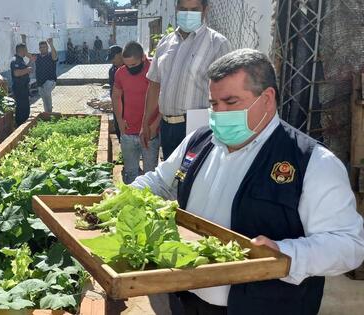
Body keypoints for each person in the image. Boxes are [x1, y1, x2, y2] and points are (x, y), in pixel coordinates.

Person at [131, 48, 364, 315]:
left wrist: (285, 253)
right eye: (213, 104)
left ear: (266, 98)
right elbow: (160, 182)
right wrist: (121, 195)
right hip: (187, 300)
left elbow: (349, 245)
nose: (219, 114)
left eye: (231, 102)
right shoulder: (199, 141)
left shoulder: (312, 162)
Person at [142, 0, 232, 160]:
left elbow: (227, 91)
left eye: (194, 9)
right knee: (172, 178)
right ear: (176, 9)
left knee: (194, 177)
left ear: (205, 10)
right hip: (167, 126)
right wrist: (146, 122)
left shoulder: (217, 44)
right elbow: (155, 84)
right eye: (183, 9)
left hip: (198, 126)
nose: (188, 14)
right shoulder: (165, 43)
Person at [112, 42, 161, 184]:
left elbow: (164, 99)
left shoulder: (154, 70)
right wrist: (120, 120)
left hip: (149, 133)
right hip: (128, 132)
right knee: (130, 173)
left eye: (133, 65)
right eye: (127, 65)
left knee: (150, 175)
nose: (130, 69)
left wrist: (155, 124)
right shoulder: (120, 73)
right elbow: (116, 96)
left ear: (143, 58)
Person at [23, 36, 57, 113]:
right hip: (40, 82)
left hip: (50, 81)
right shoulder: (37, 57)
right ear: (39, 48)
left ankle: (50, 112)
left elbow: (55, 57)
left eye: (44, 47)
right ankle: (47, 113)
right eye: (41, 47)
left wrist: (51, 44)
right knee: (44, 99)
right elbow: (26, 53)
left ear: (47, 48)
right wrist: (24, 40)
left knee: (47, 93)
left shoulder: (50, 55)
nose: (42, 48)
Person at [10, 43, 32, 126]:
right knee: (21, 109)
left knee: (26, 109)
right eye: (25, 50)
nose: (26, 52)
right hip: (19, 89)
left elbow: (25, 69)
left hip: (24, 88)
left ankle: (24, 126)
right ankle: (20, 126)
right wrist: (27, 70)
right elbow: (16, 73)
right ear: (22, 50)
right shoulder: (15, 60)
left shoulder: (21, 59)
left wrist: (30, 62)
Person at [107, 45, 123, 140]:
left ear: (120, 54)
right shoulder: (112, 70)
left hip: (130, 104)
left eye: (113, 58)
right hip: (117, 104)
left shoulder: (131, 67)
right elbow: (112, 88)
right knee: (118, 125)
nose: (112, 61)